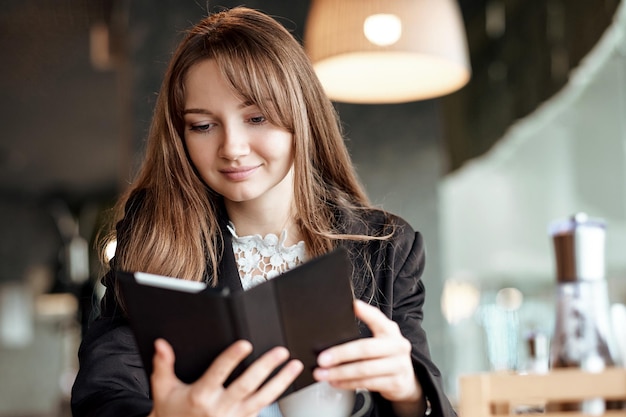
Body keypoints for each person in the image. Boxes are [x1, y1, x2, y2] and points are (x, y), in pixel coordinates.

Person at [71, 6, 456, 417]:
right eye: (202, 126)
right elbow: (102, 392)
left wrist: (410, 392)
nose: (232, 148)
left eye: (257, 118)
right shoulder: (154, 238)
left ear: (301, 114)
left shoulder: (385, 247)